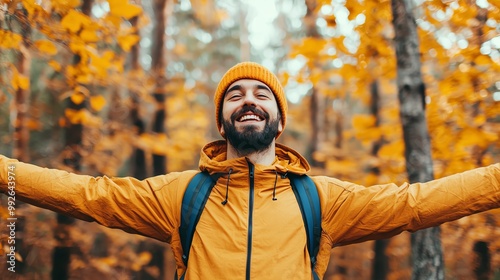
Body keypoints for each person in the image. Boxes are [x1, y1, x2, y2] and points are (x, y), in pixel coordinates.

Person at [0, 61, 499, 279]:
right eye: (235, 95)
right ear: (223, 119)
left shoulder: (322, 200)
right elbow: (89, 195)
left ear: (279, 121)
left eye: (262, 95)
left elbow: (414, 205)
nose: (249, 102)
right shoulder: (182, 195)